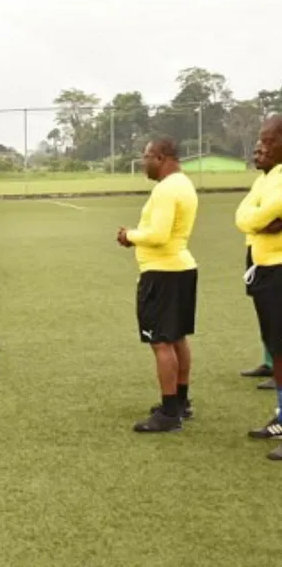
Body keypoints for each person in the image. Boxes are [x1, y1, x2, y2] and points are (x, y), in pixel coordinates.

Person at [117, 137, 198, 433]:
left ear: (161, 157)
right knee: (177, 338)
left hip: (162, 273)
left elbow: (159, 234)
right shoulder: (184, 184)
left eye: (146, 156)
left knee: (161, 341)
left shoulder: (166, 190)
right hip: (181, 268)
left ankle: (168, 414)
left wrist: (130, 235)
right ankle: (181, 402)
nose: (143, 162)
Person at [236, 115, 282, 459]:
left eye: (268, 140)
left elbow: (258, 217)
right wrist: (260, 220)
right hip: (265, 269)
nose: (261, 146)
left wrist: (258, 219)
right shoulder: (267, 178)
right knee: (277, 348)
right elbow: (244, 217)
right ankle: (281, 417)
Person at [239, 141, 276, 390]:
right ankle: (269, 361)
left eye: (263, 151)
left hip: (276, 258)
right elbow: (244, 215)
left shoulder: (277, 183)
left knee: (277, 313)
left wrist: (254, 220)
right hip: (255, 250)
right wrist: (255, 222)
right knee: (264, 309)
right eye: (255, 151)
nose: (257, 156)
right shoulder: (260, 182)